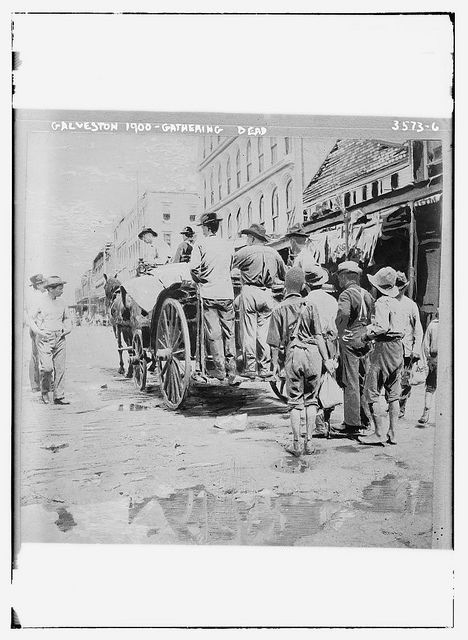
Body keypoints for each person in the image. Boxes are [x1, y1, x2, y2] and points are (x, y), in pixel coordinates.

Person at [267, 268, 335, 457]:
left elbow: (274, 344)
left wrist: (274, 368)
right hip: (314, 354)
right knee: (311, 400)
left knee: (294, 402)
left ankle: (296, 444)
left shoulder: (278, 309)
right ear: (303, 285)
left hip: (294, 353)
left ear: (285, 287)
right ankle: (310, 443)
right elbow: (319, 336)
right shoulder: (311, 306)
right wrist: (327, 360)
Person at [190, 212, 241, 385]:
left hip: (209, 293)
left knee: (214, 334)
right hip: (227, 293)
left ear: (206, 227)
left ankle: (220, 370)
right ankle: (232, 370)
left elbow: (194, 270)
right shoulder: (227, 244)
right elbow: (231, 266)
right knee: (230, 333)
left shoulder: (200, 244)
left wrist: (202, 279)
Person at [358, 267, 406, 445]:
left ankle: (378, 432)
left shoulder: (381, 303)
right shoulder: (398, 302)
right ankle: (393, 432)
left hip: (384, 347)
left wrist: (366, 335)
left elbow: (382, 327)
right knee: (393, 393)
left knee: (371, 391)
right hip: (397, 347)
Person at [232, 223, 286, 379]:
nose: (247, 239)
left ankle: (250, 368)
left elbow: (229, 266)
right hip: (267, 293)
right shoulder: (274, 253)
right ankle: (264, 367)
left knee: (249, 331)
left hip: (250, 291)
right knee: (263, 333)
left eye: (248, 237)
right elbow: (284, 275)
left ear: (252, 238)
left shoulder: (245, 252)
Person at [333, 261, 374, 437]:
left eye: (340, 277)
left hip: (350, 339)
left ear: (344, 276)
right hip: (365, 338)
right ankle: (366, 419)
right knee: (364, 380)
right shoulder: (367, 294)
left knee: (350, 380)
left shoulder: (345, 295)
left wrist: (341, 332)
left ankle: (352, 423)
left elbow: (343, 315)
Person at [303, 264, 339, 436]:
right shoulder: (332, 300)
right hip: (331, 341)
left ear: (307, 284)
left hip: (314, 343)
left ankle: (318, 421)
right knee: (329, 379)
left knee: (313, 382)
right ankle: (326, 419)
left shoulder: (307, 301)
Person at [28, 276, 72, 405]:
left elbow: (67, 318)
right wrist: (38, 331)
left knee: (60, 368)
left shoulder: (62, 302)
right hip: (44, 338)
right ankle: (45, 392)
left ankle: (59, 396)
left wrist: (68, 329)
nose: (62, 290)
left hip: (60, 337)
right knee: (47, 368)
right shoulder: (40, 302)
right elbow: (31, 318)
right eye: (60, 288)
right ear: (51, 289)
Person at [395, 271, 423, 418]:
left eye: (400, 287)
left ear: (404, 287)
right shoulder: (388, 302)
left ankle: (401, 406)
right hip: (392, 349)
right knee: (391, 378)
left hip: (407, 351)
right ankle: (392, 403)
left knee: (405, 379)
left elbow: (418, 330)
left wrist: (416, 349)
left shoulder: (411, 305)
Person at [25, 273, 47, 392]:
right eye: (44, 283)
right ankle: (36, 384)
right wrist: (38, 330)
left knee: (36, 356)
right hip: (37, 328)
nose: (46, 285)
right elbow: (31, 317)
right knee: (37, 356)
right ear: (38, 285)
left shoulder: (34, 296)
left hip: (35, 328)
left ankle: (37, 384)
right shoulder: (38, 297)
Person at [418, 310, 439, 425]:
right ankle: (426, 412)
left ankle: (426, 413)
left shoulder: (433, 325)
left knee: (430, 387)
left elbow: (426, 344)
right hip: (436, 359)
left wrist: (427, 358)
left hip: (434, 358)